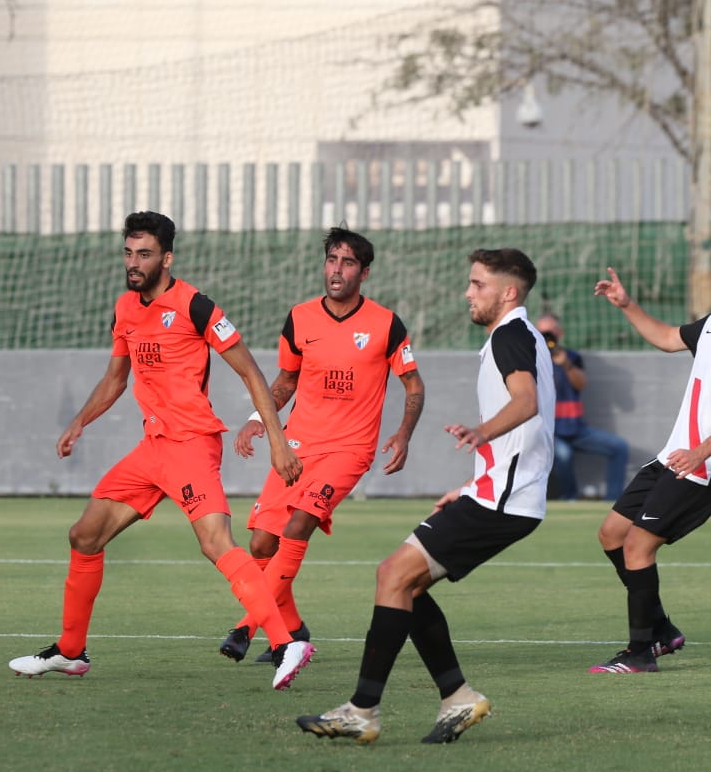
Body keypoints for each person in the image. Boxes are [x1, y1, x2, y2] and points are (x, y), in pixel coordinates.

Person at [8, 210, 316, 691]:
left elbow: (252, 373)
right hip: (151, 449)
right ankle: (70, 652)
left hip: (191, 445)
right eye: (129, 253)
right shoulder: (125, 308)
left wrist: (277, 441)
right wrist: (79, 422)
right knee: (84, 536)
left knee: (216, 544)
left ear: (166, 258)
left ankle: (285, 642)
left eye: (144, 254)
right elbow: (115, 379)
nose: (134, 262)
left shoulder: (196, 306)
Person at [296, 248, 553, 744]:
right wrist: (473, 481)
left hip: (506, 497)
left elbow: (527, 403)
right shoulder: (520, 336)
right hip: (500, 491)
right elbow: (528, 424)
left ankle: (363, 709)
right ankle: (457, 698)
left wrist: (480, 434)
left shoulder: (511, 335)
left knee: (393, 574)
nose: (468, 293)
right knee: (407, 587)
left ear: (508, 293)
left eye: (478, 284)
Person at [220, 227, 424, 665]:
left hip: (349, 450)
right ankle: (293, 630)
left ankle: (246, 627)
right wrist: (258, 420)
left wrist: (403, 434)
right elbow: (286, 381)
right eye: (332, 259)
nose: (337, 269)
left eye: (348, 262)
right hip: (298, 445)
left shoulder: (386, 324)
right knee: (259, 545)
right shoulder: (299, 318)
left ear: (364, 273)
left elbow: (413, 385)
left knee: (297, 527)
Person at [585, 267, 702, 673]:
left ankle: (640, 653)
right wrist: (627, 305)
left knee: (638, 546)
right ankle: (662, 629)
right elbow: (670, 338)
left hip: (701, 466)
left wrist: (701, 452)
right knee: (612, 534)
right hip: (675, 455)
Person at [534, 312, 629, 501]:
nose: (547, 338)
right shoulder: (532, 358)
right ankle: (570, 498)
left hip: (576, 429)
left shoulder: (571, 357)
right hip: (550, 431)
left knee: (619, 447)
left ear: (559, 333)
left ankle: (612, 501)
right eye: (542, 333)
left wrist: (566, 365)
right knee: (563, 454)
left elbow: (581, 384)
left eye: (550, 333)